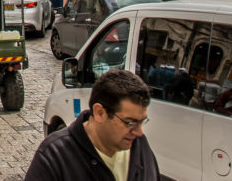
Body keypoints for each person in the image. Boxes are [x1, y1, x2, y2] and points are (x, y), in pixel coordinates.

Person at [24, 69, 160, 181]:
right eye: (130, 123)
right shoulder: (54, 156)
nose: (139, 132)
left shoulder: (140, 144)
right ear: (99, 113)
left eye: (141, 121)